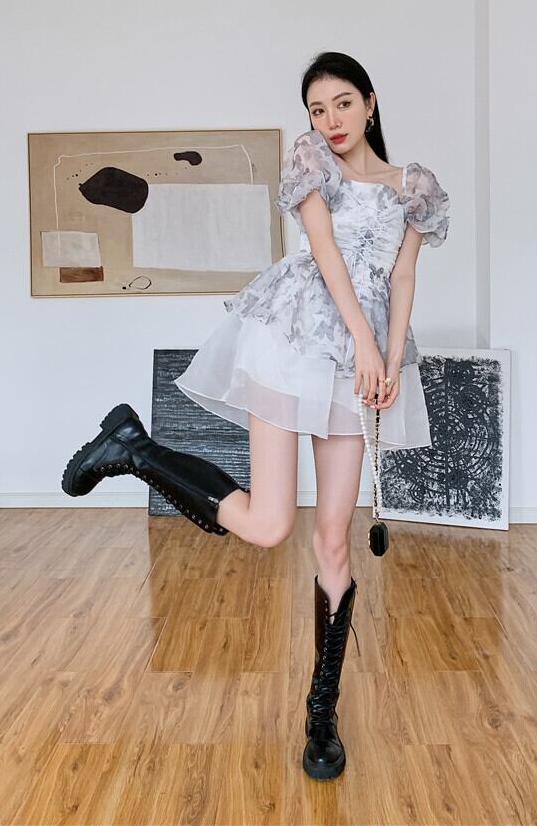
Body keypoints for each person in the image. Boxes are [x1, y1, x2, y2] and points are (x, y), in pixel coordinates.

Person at [61, 50, 450, 780]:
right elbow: (325, 252)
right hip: (297, 338)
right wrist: (365, 344)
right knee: (271, 525)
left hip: (363, 361)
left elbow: (402, 275)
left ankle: (321, 716)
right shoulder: (311, 161)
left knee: (332, 541)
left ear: (370, 102)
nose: (330, 121)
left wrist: (392, 359)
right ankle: (134, 449)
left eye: (342, 103)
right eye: (317, 109)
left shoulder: (415, 187)